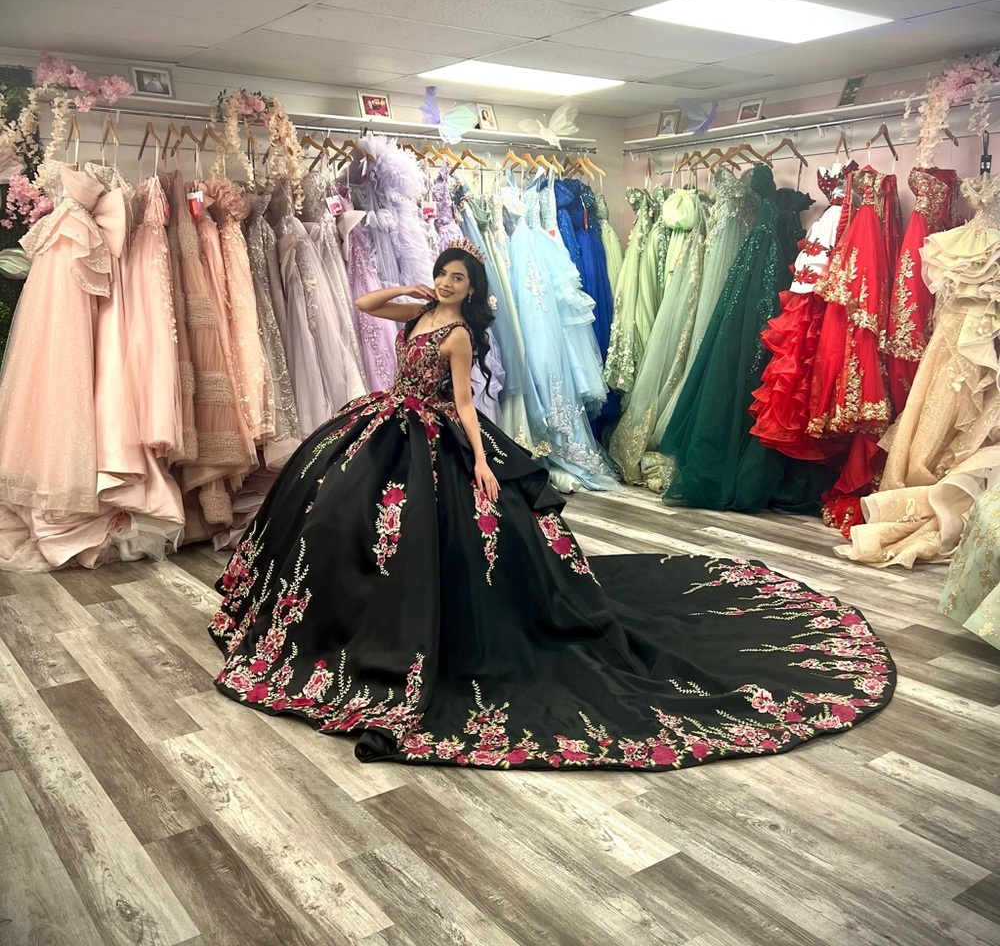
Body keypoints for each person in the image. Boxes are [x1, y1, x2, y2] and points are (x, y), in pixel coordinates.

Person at [209, 239, 895, 771]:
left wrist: (479, 461)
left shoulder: (457, 335)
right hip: (386, 422)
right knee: (340, 514)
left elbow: (467, 406)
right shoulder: (418, 310)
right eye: (444, 274)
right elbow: (364, 306)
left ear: (474, 291)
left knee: (439, 534)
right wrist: (411, 288)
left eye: (459, 279)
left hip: (437, 432)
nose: (449, 283)